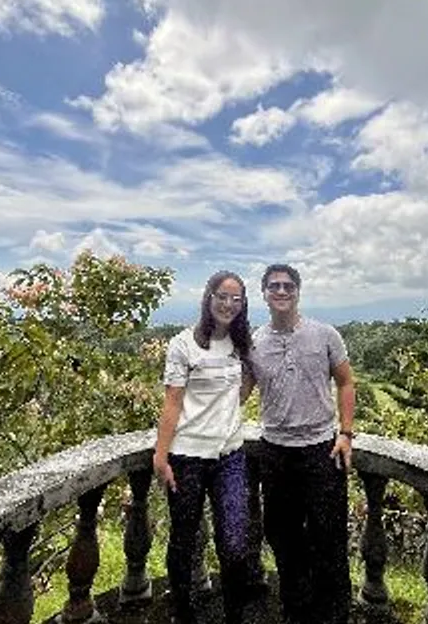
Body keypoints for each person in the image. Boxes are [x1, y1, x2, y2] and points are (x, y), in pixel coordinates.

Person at [246, 264, 355, 624]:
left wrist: (346, 433)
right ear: (264, 294)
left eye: (288, 285)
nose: (281, 291)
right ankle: (296, 609)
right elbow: (239, 393)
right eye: (274, 286)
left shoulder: (325, 335)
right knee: (283, 535)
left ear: (297, 291)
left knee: (329, 535)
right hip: (275, 451)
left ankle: (335, 613)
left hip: (321, 448)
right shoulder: (255, 343)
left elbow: (346, 382)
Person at [153, 271, 252, 624]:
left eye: (236, 299)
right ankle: (183, 612)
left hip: (231, 455)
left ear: (243, 305)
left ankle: (234, 614)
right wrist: (161, 455)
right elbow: (172, 402)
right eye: (222, 296)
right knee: (184, 537)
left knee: (235, 541)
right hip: (187, 456)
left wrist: (229, 410)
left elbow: (245, 385)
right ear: (208, 297)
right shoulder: (183, 344)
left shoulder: (241, 344)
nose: (228, 304)